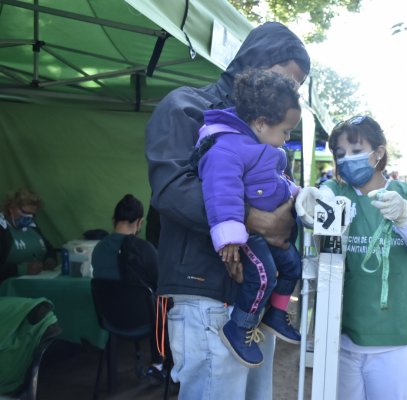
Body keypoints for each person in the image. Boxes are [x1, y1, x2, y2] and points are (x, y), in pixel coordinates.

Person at [145, 21, 310, 399]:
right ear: (254, 61)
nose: (288, 92)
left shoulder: (267, 130)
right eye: (285, 78)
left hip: (253, 299)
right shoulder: (187, 107)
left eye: (296, 87)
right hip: (204, 293)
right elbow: (171, 189)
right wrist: (259, 221)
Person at [296, 115, 407, 399]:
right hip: (343, 335)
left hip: (396, 339)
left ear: (379, 152)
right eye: (341, 154)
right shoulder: (335, 192)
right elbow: (318, 213)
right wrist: (309, 204)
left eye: (356, 150)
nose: (347, 159)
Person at [196, 69, 302, 367]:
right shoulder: (227, 147)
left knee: (293, 265)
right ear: (261, 123)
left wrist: (299, 194)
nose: (288, 137)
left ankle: (276, 314)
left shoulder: (263, 148)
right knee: (263, 276)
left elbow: (277, 184)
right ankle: (240, 326)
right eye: (285, 130)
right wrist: (229, 235)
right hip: (246, 234)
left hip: (270, 232)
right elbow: (221, 190)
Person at [91, 194, 164, 381]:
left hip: (110, 320)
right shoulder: (146, 249)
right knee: (165, 303)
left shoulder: (98, 249)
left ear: (114, 220)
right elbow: (160, 283)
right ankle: (159, 364)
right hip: (144, 320)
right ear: (139, 222)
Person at [0, 188, 56, 284]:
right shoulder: (2, 229)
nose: (29, 218)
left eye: (32, 215)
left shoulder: (32, 227)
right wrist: (21, 269)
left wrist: (50, 260)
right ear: (11, 208)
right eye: (25, 213)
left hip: (36, 284)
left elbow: (49, 249)